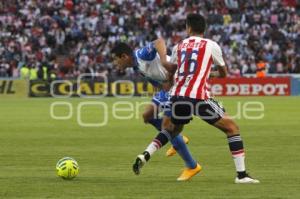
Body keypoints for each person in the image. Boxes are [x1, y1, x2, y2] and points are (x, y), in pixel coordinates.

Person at [133, 13, 260, 184]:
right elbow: (223, 73)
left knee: (172, 130)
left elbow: (173, 70)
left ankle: (146, 154)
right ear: (204, 29)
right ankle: (242, 175)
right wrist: (210, 72)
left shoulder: (180, 46)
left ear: (189, 28)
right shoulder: (211, 45)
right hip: (199, 97)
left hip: (178, 96)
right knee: (232, 128)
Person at [111, 40, 200, 181]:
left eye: (115, 60)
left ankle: (191, 165)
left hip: (180, 84)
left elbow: (159, 41)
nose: (115, 64)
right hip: (170, 87)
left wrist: (164, 61)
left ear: (124, 56)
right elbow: (157, 77)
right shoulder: (136, 67)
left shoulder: (141, 55)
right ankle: (179, 140)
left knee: (165, 125)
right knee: (148, 116)